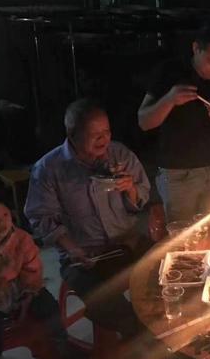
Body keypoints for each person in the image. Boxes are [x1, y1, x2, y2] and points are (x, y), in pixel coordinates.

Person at [24, 99, 150, 341]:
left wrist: (130, 188)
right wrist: (73, 249)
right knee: (102, 299)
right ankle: (141, 338)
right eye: (94, 135)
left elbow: (141, 198)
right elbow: (41, 218)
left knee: (168, 271)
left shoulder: (119, 154)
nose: (104, 139)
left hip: (127, 242)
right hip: (84, 255)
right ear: (72, 135)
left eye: (107, 132)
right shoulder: (49, 168)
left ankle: (154, 329)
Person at [138, 23, 210, 221]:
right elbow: (144, 121)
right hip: (178, 173)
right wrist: (170, 99)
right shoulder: (170, 71)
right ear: (196, 48)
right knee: (182, 232)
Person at [0, 192, 66, 358]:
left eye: (5, 215)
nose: (2, 222)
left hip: (20, 285)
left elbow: (32, 267)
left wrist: (28, 292)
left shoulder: (22, 238)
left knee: (48, 305)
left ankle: (61, 343)